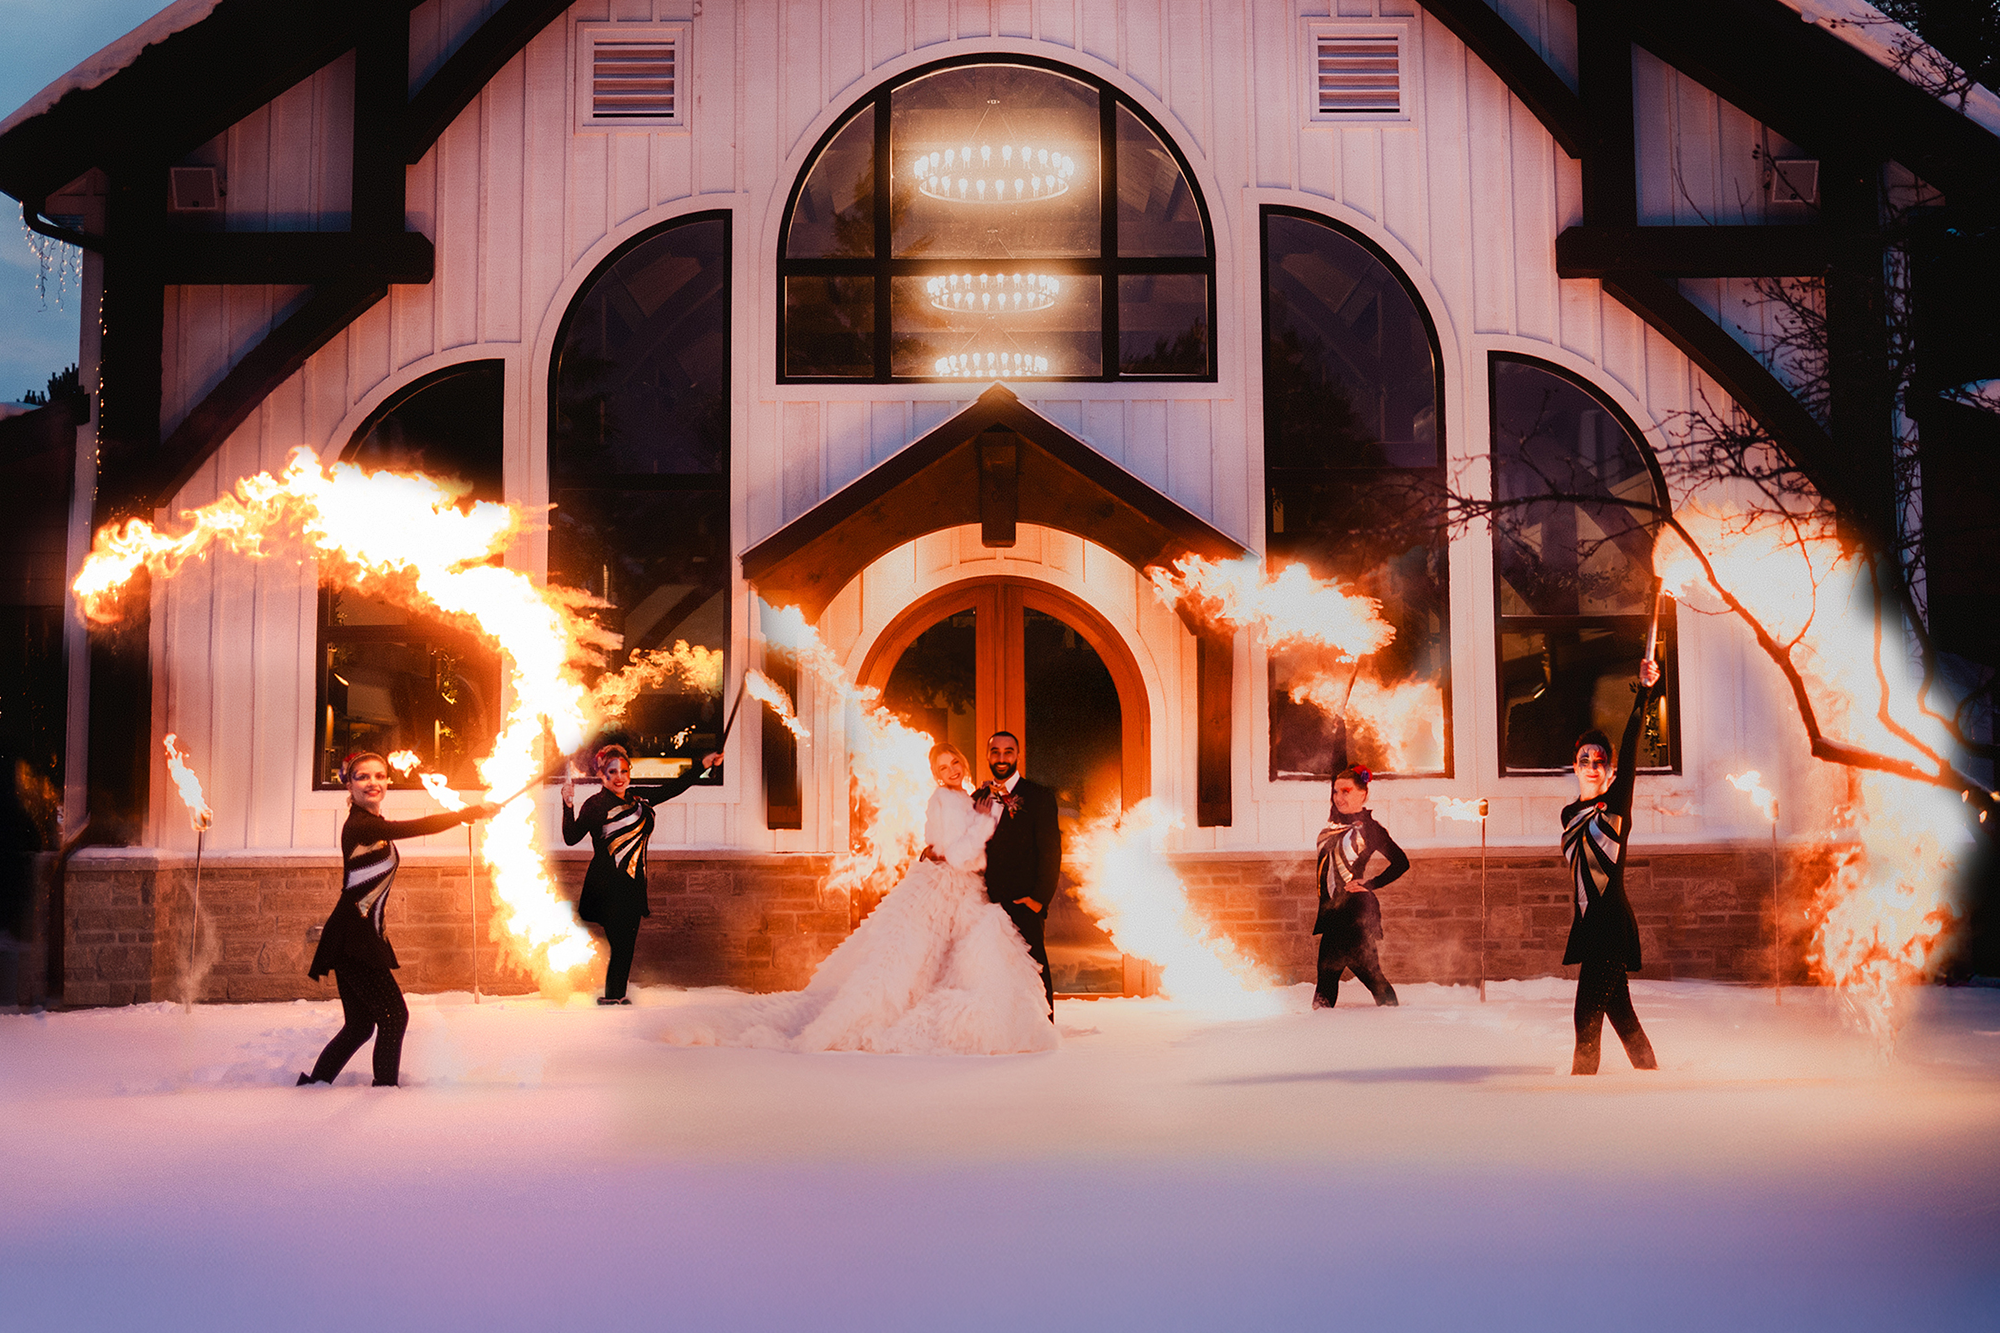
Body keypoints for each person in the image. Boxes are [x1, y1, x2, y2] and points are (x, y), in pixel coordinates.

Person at [656, 741, 1056, 1054]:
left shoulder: (969, 795)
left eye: (954, 763)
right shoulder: (944, 800)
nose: (951, 770)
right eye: (942, 767)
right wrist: (982, 825)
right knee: (910, 963)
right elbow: (960, 855)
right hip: (947, 888)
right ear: (934, 775)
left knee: (942, 962)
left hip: (965, 891)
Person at [300, 752, 497, 1087]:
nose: (372, 783)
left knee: (360, 1026)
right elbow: (411, 828)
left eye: (379, 776)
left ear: (388, 781)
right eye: (363, 777)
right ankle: (385, 1090)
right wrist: (469, 813)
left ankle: (314, 1086)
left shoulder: (371, 823)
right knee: (394, 1016)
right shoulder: (361, 824)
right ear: (349, 785)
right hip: (353, 937)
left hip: (358, 934)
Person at [1562, 657, 1663, 1075]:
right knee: (1623, 1017)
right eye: (1584, 760)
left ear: (1610, 768)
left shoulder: (1617, 804)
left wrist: (1644, 693)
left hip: (1612, 928)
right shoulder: (1569, 814)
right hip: (1590, 929)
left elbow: (1632, 743)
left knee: (1585, 1018)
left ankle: (1581, 1094)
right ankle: (1652, 1079)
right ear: (1574, 765)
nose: (1591, 767)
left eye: (1599, 761)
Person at [563, 742, 722, 1004]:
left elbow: (672, 789)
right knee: (621, 944)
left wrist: (702, 766)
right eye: (612, 772)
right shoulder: (595, 805)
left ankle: (616, 997)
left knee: (625, 946)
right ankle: (614, 997)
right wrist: (567, 804)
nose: (619, 777)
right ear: (602, 774)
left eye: (624, 771)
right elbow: (570, 838)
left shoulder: (638, 798)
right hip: (606, 886)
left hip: (633, 885)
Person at [975, 731, 1061, 1018]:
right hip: (986, 904)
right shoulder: (978, 797)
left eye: (1008, 751)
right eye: (995, 752)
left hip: (1024, 902)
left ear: (1018, 756)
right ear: (988, 756)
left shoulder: (1039, 796)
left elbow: (1051, 852)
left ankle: (1042, 1030)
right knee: (992, 973)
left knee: (1033, 972)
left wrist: (1038, 900)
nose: (1001, 758)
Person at [1311, 765, 1409, 1008]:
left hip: (1354, 912)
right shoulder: (1335, 822)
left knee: (1355, 976)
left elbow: (1401, 862)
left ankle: (1393, 1019)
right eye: (1335, 792)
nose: (1339, 797)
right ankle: (1392, 1015)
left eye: (1346, 791)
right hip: (1334, 912)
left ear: (1363, 794)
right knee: (1360, 976)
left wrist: (1371, 883)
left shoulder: (1371, 829)